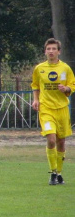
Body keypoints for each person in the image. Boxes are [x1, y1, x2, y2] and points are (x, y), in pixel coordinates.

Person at [31, 38, 75, 185]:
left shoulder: (65, 68)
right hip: (46, 109)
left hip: (62, 109)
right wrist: (36, 100)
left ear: (59, 51)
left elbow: (72, 85)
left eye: (53, 49)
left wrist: (67, 89)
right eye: (48, 49)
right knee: (51, 139)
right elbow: (35, 86)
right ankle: (52, 172)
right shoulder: (39, 68)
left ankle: (60, 173)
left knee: (61, 141)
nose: (51, 51)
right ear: (45, 51)